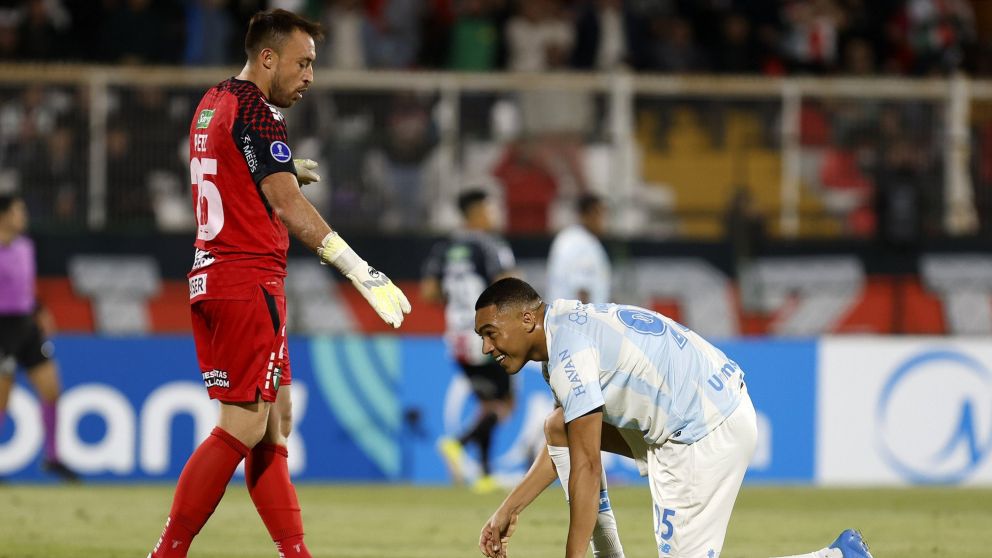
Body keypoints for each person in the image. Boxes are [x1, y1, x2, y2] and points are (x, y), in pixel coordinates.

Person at [148, 10, 409, 558]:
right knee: (243, 425)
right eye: (304, 62)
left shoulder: (212, 101)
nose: (310, 75)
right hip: (247, 279)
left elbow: (232, 166)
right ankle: (167, 551)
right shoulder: (259, 112)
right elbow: (286, 203)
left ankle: (295, 552)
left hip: (214, 276)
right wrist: (361, 271)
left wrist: (288, 166)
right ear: (268, 57)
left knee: (274, 424)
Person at [473, 278, 873, 558]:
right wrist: (509, 508)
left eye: (491, 333)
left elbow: (588, 467)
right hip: (711, 405)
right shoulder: (564, 326)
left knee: (578, 452)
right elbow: (575, 443)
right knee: (558, 427)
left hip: (703, 433)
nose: (487, 347)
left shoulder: (569, 354)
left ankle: (836, 556)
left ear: (526, 319)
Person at [422, 188, 516, 494]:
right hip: (487, 335)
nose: (493, 215)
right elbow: (507, 284)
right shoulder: (490, 245)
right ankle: (456, 444)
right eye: (489, 209)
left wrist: (458, 303)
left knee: (487, 405)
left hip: (457, 337)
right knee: (506, 404)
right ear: (476, 212)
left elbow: (429, 292)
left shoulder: (444, 248)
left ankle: (486, 475)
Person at [0, 193, 79, 482]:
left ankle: (53, 457)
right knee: (2, 401)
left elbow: (25, 287)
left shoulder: (25, 247)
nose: (24, 216)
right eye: (19, 211)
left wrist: (40, 310)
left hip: (26, 325)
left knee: (51, 390)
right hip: (2, 329)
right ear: (4, 215)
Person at [546, 193, 610, 305]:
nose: (604, 221)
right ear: (590, 214)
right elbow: (582, 289)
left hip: (562, 317)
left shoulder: (568, 237)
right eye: (601, 214)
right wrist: (586, 321)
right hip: (576, 319)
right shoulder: (581, 243)